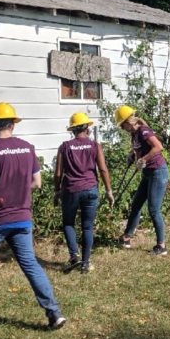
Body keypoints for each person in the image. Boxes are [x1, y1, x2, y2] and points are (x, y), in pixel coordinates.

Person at [0, 103, 66, 336]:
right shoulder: (27, 148)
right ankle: (54, 313)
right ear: (13, 123)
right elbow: (37, 183)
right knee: (30, 265)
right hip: (22, 218)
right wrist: (16, 189)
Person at [53, 112, 115, 274]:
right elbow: (102, 169)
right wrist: (109, 190)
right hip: (90, 189)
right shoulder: (95, 146)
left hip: (71, 190)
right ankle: (86, 263)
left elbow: (58, 173)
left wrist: (56, 191)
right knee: (87, 227)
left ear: (72, 130)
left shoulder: (64, 147)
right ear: (87, 129)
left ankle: (74, 256)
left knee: (68, 223)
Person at [114, 105, 169, 256]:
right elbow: (139, 148)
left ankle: (161, 246)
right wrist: (132, 155)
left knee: (153, 210)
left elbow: (158, 147)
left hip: (158, 171)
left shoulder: (143, 131)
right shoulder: (134, 134)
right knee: (136, 204)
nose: (121, 128)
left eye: (122, 124)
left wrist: (143, 159)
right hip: (148, 172)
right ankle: (126, 238)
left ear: (128, 121)